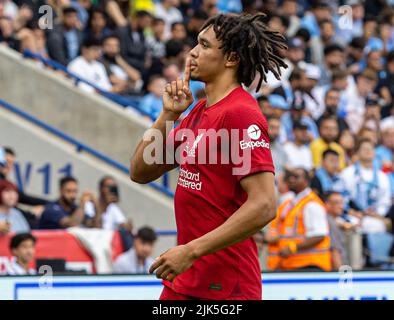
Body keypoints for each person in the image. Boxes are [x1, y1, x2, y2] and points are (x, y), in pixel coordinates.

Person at [130, 13, 285, 300]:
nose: (192, 52)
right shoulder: (199, 112)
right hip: (185, 279)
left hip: (226, 289)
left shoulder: (241, 113)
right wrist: (169, 114)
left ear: (231, 59)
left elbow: (264, 205)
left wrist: (191, 250)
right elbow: (140, 170)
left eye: (204, 45)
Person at [269, 168, 332, 271]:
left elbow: (319, 235)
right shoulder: (294, 203)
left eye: (296, 177)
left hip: (311, 266)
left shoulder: (312, 204)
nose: (291, 180)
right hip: (295, 265)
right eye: (290, 177)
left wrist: (293, 247)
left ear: (306, 181)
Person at [340, 139, 391, 234]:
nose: (368, 151)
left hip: (375, 218)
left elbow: (384, 200)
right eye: (364, 149)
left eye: (371, 149)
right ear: (357, 153)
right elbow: (343, 197)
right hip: (353, 216)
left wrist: (378, 214)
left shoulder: (382, 177)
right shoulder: (347, 173)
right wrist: (352, 212)